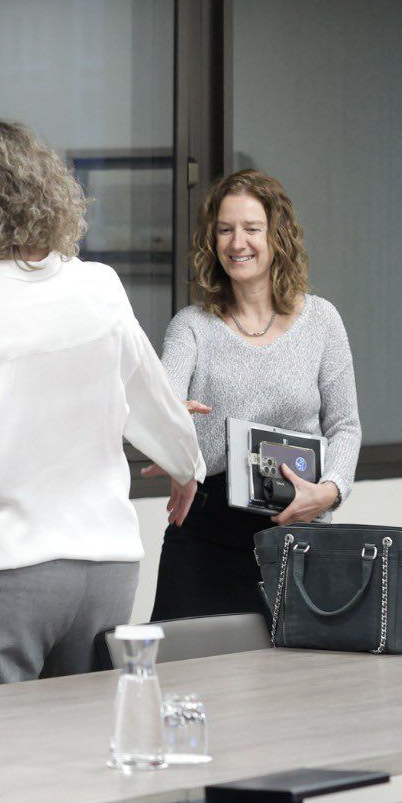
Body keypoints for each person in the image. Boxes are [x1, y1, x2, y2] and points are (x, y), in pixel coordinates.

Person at [0, 119, 204, 686]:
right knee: (91, 738)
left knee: (0, 739)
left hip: (2, 577)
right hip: (108, 569)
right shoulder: (100, 286)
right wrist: (186, 464)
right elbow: (154, 397)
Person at [148, 169, 361, 621]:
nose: (237, 242)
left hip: (297, 532)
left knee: (297, 666)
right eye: (225, 230)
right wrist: (169, 431)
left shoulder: (322, 321)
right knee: (189, 662)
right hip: (206, 536)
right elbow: (163, 401)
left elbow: (345, 426)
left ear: (277, 236)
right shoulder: (191, 326)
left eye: (251, 228)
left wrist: (330, 492)